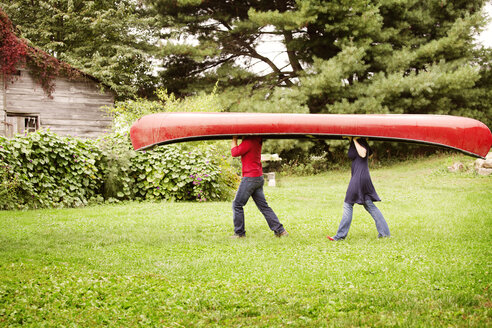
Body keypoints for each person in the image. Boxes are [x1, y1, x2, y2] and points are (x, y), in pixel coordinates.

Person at [327, 137, 390, 241]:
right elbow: (370, 155)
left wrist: (355, 140)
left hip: (359, 177)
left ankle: (339, 236)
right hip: (361, 175)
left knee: (348, 204)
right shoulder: (357, 141)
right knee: (369, 205)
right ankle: (385, 233)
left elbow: (364, 154)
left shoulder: (358, 140)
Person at [230, 136, 288, 238]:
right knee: (264, 207)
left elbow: (234, 153)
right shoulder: (256, 139)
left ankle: (239, 233)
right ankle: (280, 231)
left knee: (237, 205)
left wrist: (234, 138)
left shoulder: (249, 141)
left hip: (250, 178)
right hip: (258, 177)